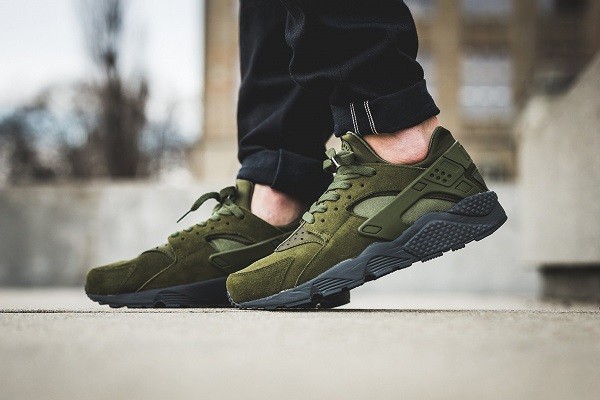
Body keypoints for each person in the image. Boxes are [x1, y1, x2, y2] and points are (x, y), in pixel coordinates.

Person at [85, 0, 507, 309]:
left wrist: (384, 105)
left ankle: (399, 137)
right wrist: (277, 170)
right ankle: (278, 191)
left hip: (395, 131)